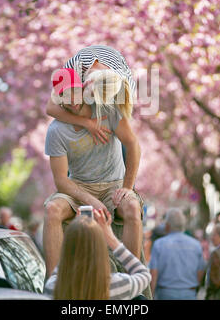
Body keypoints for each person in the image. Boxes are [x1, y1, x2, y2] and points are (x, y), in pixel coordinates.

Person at [43, 68, 142, 277]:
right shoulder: (56, 130)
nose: (72, 100)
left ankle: (133, 280)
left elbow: (133, 145)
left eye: (74, 92)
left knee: (133, 207)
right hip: (79, 187)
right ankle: (53, 281)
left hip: (113, 184)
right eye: (64, 95)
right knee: (52, 209)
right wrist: (89, 199)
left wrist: (127, 187)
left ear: (84, 89)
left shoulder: (107, 110)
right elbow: (61, 180)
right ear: (58, 99)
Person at [44, 208, 151, 300]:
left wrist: (76, 233)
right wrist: (110, 237)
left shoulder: (53, 287)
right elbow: (144, 274)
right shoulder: (115, 285)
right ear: (100, 248)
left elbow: (60, 269)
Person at [46, 45, 135, 145]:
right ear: (87, 83)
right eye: (92, 95)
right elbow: (50, 108)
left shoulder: (123, 86)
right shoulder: (75, 66)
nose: (93, 102)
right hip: (94, 56)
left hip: (115, 66)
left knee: (120, 137)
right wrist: (86, 123)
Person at [149, 208, 206, 300]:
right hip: (189, 292)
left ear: (167, 225)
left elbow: (154, 272)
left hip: (165, 293)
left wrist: (150, 295)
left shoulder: (159, 244)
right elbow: (200, 271)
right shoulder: (196, 245)